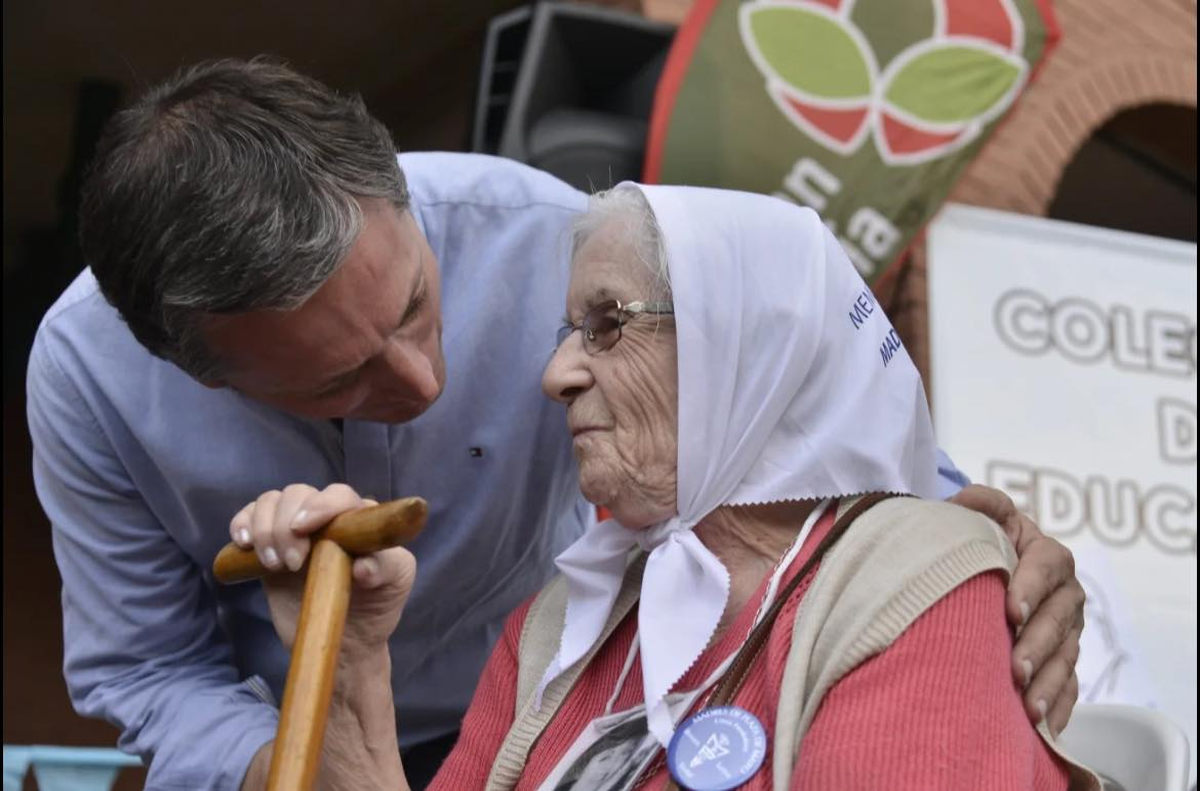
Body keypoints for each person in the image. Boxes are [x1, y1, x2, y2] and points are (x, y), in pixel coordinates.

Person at [26, 57, 1083, 790]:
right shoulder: (90, 378)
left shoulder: (545, 236)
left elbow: (814, 410)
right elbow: (147, 672)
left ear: (398, 186)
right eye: (336, 382)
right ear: (196, 369)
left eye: (416, 305)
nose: (423, 380)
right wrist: (321, 721)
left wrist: (976, 540)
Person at [246, 183, 1099, 789]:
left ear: (746, 347)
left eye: (607, 324)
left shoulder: (913, 575)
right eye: (566, 329)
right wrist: (353, 660)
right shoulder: (564, 620)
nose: (555, 373)